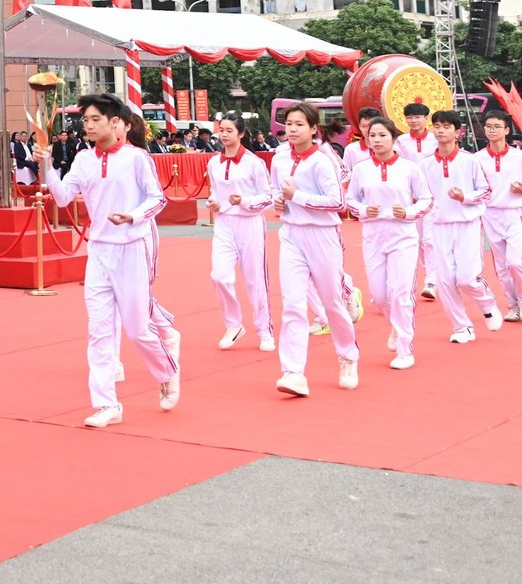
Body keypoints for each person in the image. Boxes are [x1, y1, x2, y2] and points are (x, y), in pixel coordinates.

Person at [37, 93, 181, 428]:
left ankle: (167, 371)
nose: (87, 125)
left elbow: (157, 198)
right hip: (98, 250)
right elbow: (61, 197)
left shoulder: (136, 158)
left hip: (131, 247)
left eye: (94, 119)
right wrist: (45, 166)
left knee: (137, 329)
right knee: (99, 331)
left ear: (115, 123)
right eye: (85, 120)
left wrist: (132, 216)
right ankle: (106, 404)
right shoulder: (83, 159)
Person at [269, 101, 360, 397]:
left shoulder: (322, 159)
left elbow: (338, 203)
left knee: (332, 302)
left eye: (299, 125)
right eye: (289, 124)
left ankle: (348, 356)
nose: (292, 130)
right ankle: (293, 372)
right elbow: (275, 192)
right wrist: (280, 202)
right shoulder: (280, 158)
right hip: (292, 235)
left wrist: (299, 196)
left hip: (322, 235)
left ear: (312, 129)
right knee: (293, 305)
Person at [347, 115, 433, 370]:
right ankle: (397, 324)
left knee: (399, 292)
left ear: (394, 139)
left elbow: (427, 199)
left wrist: (407, 212)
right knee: (379, 294)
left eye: (382, 135)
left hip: (403, 235)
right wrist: (363, 210)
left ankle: (405, 348)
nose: (376, 140)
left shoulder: (409, 168)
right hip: (374, 236)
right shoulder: (361, 169)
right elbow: (350, 199)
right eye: (372, 135)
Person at [419, 110, 503, 344]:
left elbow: (486, 191)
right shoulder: (425, 164)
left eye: (446, 126)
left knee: (466, 278)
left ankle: (487, 304)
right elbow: (419, 194)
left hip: (467, 224)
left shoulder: (470, 160)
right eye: (437, 126)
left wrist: (464, 196)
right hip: (439, 225)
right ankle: (461, 327)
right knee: (445, 281)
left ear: (457, 132)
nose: (440, 130)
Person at [199, 113, 274, 352]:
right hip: (224, 224)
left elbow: (267, 196)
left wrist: (244, 201)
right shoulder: (214, 163)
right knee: (219, 276)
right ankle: (233, 324)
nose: (224, 135)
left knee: (255, 281)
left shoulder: (253, 163)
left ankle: (264, 331)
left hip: (249, 223)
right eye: (222, 130)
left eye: (229, 130)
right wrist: (214, 202)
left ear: (241, 133)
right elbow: (215, 191)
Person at [477, 111, 522, 322]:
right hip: (490, 215)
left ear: (507, 130)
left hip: (514, 213)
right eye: (489, 126)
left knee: (515, 262)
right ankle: (512, 305)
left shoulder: (519, 157)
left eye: (497, 126)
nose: (492, 130)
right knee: (501, 267)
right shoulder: (478, 158)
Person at [394, 101, 440, 300]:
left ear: (426, 118)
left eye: (417, 117)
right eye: (409, 118)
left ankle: (432, 280)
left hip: (433, 194)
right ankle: (419, 277)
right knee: (417, 239)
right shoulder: (401, 141)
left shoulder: (436, 139)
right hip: (410, 197)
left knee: (429, 239)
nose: (413, 121)